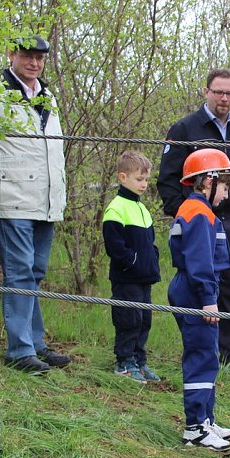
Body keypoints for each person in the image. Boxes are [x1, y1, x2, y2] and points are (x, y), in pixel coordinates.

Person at [0, 35, 70, 375]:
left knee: (35, 271)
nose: (34, 62)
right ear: (12, 55)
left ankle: (35, 342)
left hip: (46, 199)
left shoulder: (48, 95)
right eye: (27, 56)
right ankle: (20, 349)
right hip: (10, 198)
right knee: (19, 272)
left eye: (39, 57)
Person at [157, 68, 230, 367]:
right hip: (200, 222)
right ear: (206, 91)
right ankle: (203, 351)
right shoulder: (186, 129)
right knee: (201, 282)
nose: (224, 98)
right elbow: (168, 180)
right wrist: (186, 212)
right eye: (219, 92)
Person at [168, 149, 230, 452]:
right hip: (195, 293)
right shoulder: (198, 213)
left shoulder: (198, 211)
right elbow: (199, 262)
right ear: (208, 181)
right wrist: (209, 299)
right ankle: (195, 426)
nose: (224, 196)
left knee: (207, 354)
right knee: (201, 357)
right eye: (223, 187)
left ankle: (206, 419)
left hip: (195, 290)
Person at [101, 150, 161, 384]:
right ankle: (123, 361)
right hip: (127, 278)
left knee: (144, 320)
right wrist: (134, 262)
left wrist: (151, 261)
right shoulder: (116, 208)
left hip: (144, 278)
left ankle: (139, 360)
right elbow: (115, 247)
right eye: (139, 179)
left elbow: (151, 243)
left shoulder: (142, 209)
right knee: (128, 319)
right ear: (122, 177)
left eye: (146, 180)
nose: (144, 184)